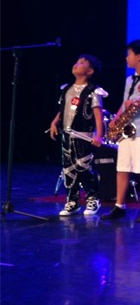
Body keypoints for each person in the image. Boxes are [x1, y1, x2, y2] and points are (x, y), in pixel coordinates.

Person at [101, 39, 140, 223]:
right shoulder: (129, 80)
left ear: (138, 56)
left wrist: (139, 104)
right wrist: (115, 120)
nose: (126, 58)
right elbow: (124, 103)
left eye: (129, 54)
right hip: (126, 131)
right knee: (122, 168)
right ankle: (119, 206)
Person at [49, 54, 107, 216]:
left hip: (83, 136)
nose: (77, 64)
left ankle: (92, 198)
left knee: (85, 168)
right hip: (66, 136)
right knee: (68, 169)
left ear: (90, 71)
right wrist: (54, 123)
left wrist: (99, 135)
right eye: (77, 61)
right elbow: (62, 110)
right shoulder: (66, 89)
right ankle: (72, 201)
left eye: (82, 63)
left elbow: (98, 114)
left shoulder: (93, 91)